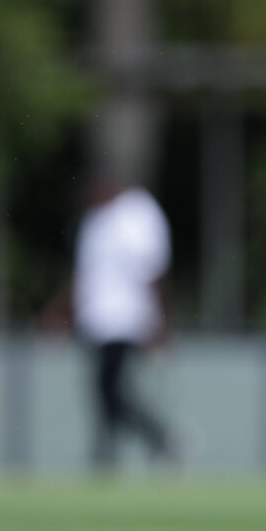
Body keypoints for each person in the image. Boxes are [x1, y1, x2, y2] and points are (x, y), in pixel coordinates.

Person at [71, 177, 178, 471]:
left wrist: (159, 321)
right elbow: (87, 276)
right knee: (105, 393)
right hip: (98, 322)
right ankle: (112, 453)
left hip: (126, 319)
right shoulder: (94, 221)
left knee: (110, 391)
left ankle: (159, 440)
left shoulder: (137, 213)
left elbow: (153, 271)